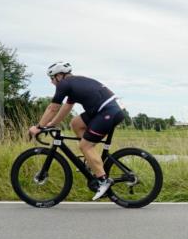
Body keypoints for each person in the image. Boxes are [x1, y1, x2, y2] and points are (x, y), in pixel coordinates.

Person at [29, 62, 123, 200]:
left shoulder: (64, 84)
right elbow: (66, 107)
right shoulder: (74, 83)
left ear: (60, 76)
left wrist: (38, 127)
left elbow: (52, 108)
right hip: (105, 110)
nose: (51, 82)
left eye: (52, 78)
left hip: (107, 112)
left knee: (85, 146)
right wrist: (51, 124)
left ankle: (103, 181)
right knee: (76, 123)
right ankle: (90, 161)